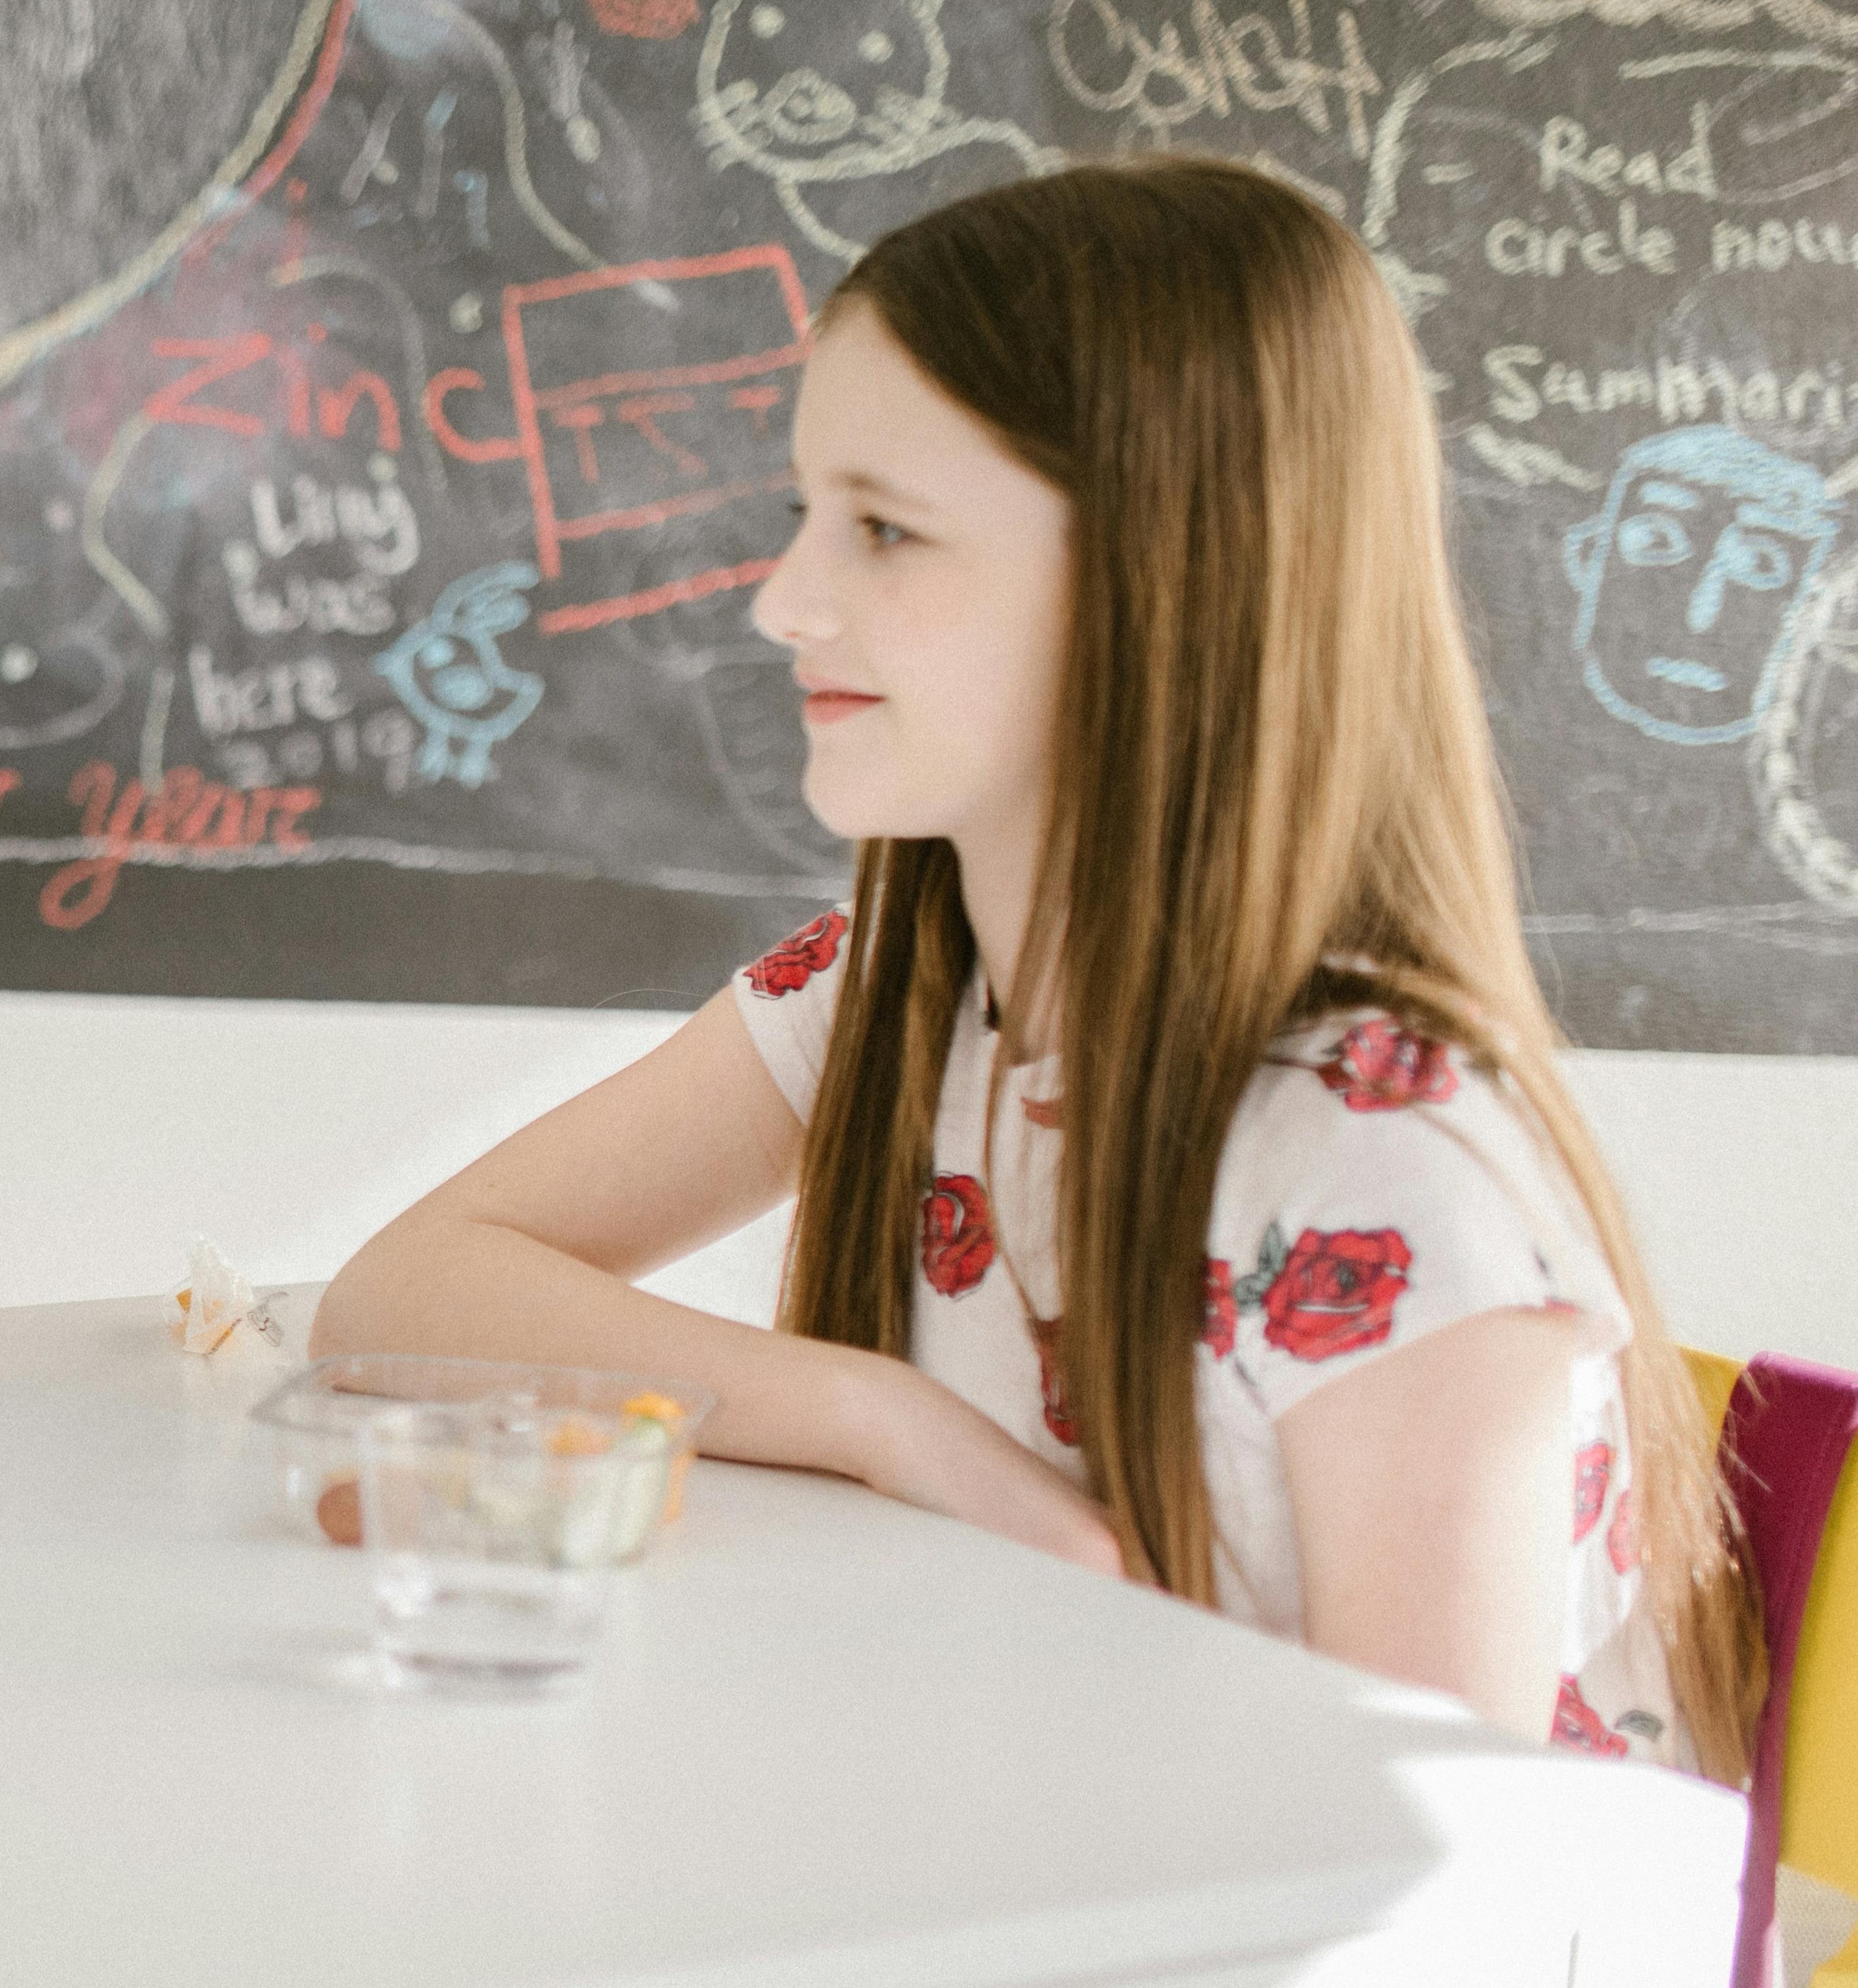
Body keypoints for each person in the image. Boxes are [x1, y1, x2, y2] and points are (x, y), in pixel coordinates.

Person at [310, 158, 1747, 1774]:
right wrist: (885, 1421)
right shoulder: (884, 991)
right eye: (804, 515)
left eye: (883, 529)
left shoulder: (1381, 1154)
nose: (785, 602)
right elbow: (395, 1301)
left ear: (1167, 572)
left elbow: (1416, 1903)